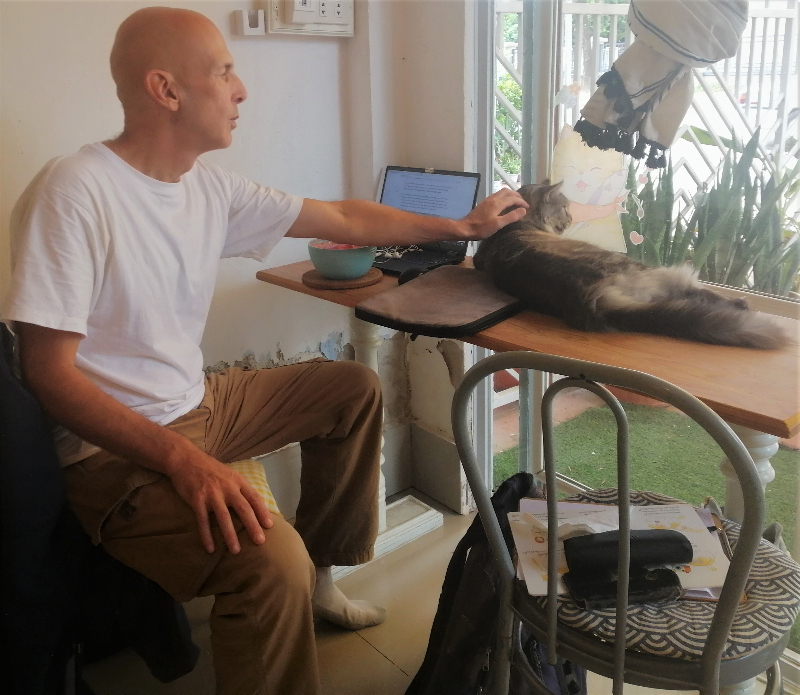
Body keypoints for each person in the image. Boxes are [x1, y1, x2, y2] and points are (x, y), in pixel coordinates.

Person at [1, 7, 528, 695]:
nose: (241, 89)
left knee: (350, 389)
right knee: (268, 560)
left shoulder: (207, 187)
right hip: (114, 453)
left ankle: (324, 578)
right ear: (166, 90)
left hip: (198, 402)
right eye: (223, 72)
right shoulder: (74, 192)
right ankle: (290, 584)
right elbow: (48, 374)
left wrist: (460, 224)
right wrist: (185, 461)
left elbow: (340, 216)